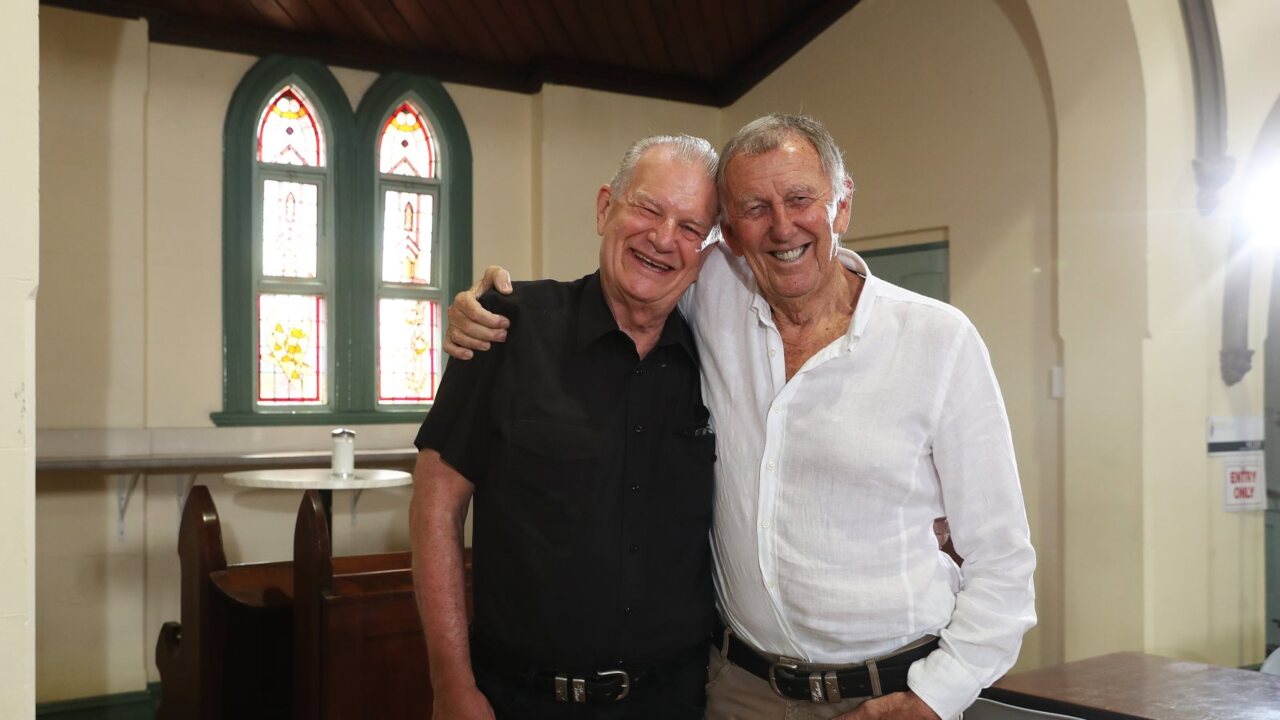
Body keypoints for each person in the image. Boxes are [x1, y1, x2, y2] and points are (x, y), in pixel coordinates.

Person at [446, 114, 1037, 720]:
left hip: (890, 692)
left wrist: (935, 698)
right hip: (737, 691)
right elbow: (630, 279)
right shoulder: (709, 299)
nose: (782, 226)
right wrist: (482, 309)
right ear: (728, 233)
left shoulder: (938, 340)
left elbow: (1003, 562)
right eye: (754, 207)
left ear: (843, 203)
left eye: (801, 198)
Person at [409, 135, 721, 720]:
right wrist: (450, 683)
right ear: (606, 208)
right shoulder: (506, 326)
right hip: (522, 700)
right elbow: (435, 508)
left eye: (690, 227)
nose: (662, 239)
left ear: (706, 251)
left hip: (676, 701)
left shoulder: (718, 359)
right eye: (649, 209)